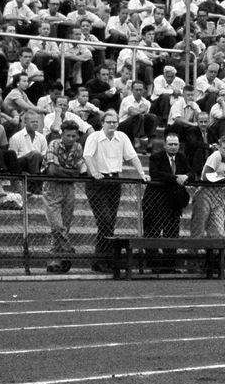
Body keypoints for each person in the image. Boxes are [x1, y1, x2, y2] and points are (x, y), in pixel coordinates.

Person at [83, 110, 147, 273]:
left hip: (115, 181)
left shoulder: (122, 137)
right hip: (97, 183)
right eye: (109, 122)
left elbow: (132, 156)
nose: (112, 124)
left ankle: (104, 260)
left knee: (109, 221)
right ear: (102, 123)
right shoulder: (94, 137)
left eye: (115, 122)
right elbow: (88, 155)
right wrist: (95, 172)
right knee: (104, 220)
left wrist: (142, 173)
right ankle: (104, 259)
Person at [143, 131, 192, 270]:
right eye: (170, 144)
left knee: (172, 233)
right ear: (164, 145)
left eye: (176, 144)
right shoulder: (156, 157)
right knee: (153, 234)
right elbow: (155, 173)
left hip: (173, 203)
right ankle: (153, 266)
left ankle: (169, 266)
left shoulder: (181, 157)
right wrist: (176, 177)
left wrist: (186, 177)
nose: (173, 147)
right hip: (154, 203)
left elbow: (191, 173)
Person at [43, 117, 86, 274]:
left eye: (73, 136)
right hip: (52, 187)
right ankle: (67, 250)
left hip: (68, 188)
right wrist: (70, 172)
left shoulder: (78, 148)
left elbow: (77, 173)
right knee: (56, 224)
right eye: (68, 135)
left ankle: (55, 261)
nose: (70, 139)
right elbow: (52, 171)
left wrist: (65, 172)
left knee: (64, 225)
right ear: (62, 134)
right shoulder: (54, 144)